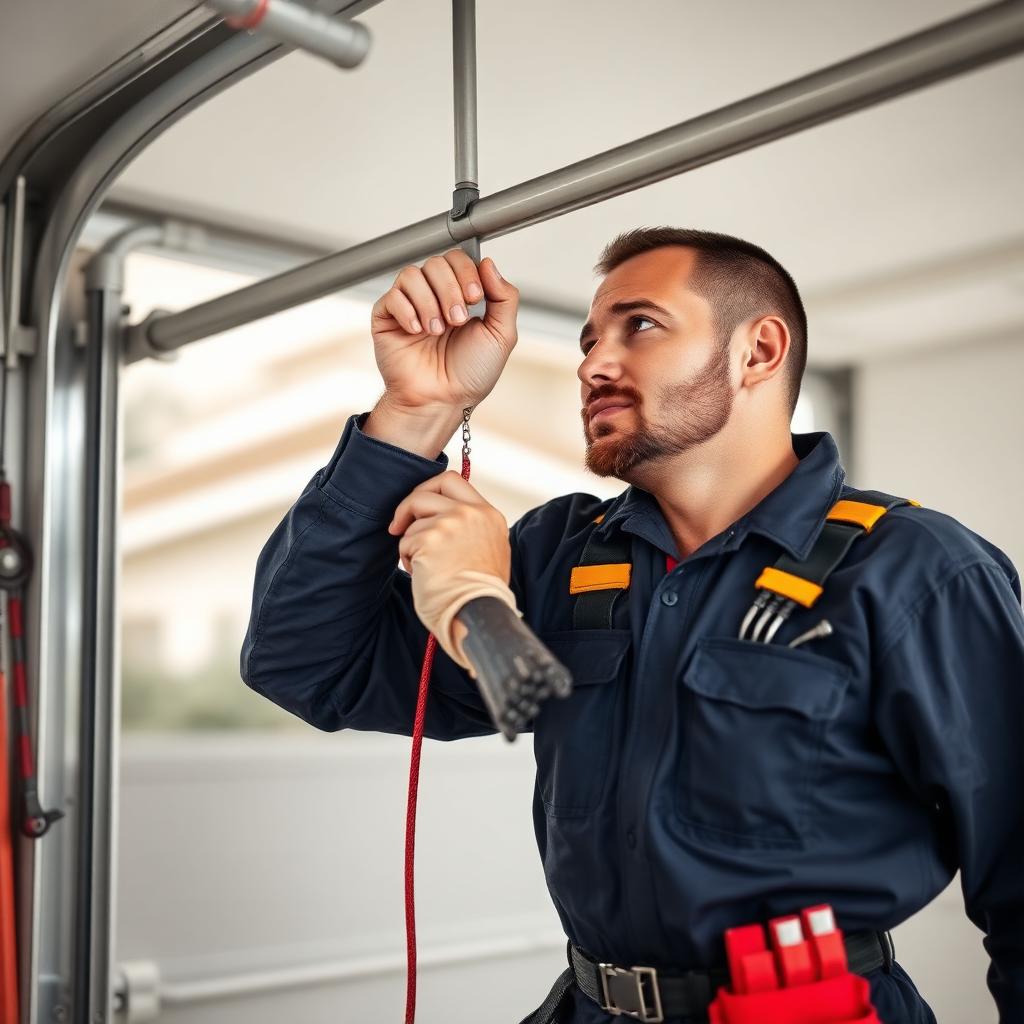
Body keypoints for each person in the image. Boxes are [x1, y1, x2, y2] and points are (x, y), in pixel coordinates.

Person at [240, 228, 1024, 1023]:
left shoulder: (916, 571)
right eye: (587, 341)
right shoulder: (559, 556)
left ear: (758, 351)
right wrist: (416, 411)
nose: (591, 364)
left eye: (639, 326)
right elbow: (307, 664)